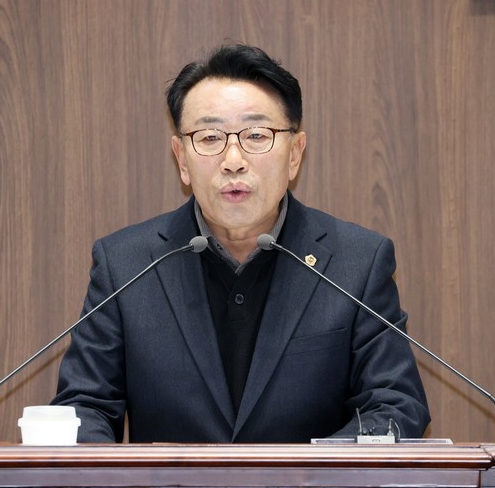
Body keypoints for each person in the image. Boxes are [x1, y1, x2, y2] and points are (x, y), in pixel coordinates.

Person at [51, 44, 430, 443]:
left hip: (311, 486)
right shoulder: (126, 265)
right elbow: (83, 408)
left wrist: (306, 470)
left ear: (295, 154)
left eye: (256, 135)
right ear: (181, 158)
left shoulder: (358, 262)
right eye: (209, 137)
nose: (233, 160)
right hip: (169, 487)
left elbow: (395, 406)